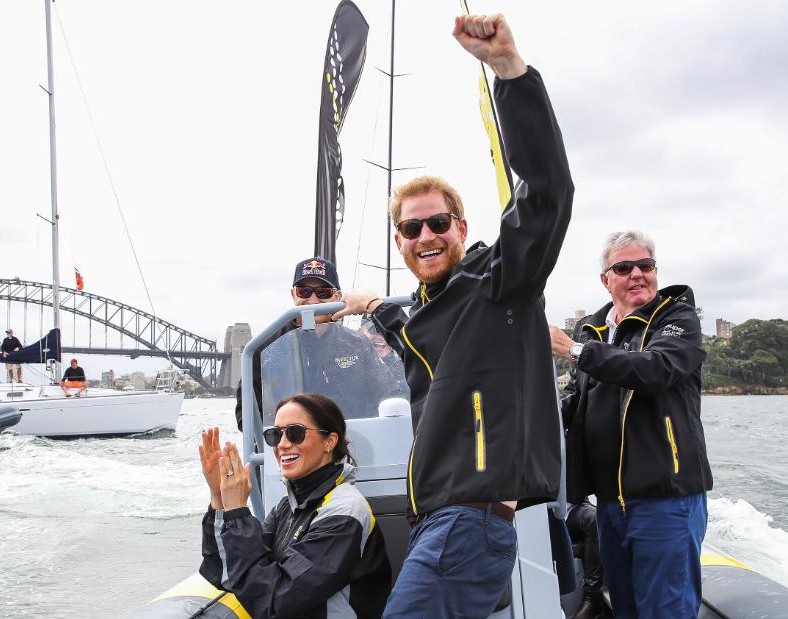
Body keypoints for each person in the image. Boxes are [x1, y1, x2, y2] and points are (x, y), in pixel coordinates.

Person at [333, 13, 573, 617]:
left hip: (468, 522)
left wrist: (509, 72)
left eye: (438, 223)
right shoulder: (417, 313)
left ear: (461, 228)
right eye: (411, 228)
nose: (426, 235)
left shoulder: (501, 288)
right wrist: (363, 304)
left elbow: (546, 191)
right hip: (437, 521)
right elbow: (406, 315)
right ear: (400, 242)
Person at [550, 230, 712, 618]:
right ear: (606, 280)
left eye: (646, 265)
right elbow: (577, 402)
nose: (638, 274)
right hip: (610, 504)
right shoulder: (593, 330)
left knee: (665, 611)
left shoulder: (676, 318)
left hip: (666, 498)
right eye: (624, 267)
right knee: (625, 608)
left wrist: (573, 350)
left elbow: (655, 369)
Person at [199, 393, 391, 619]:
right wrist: (219, 498)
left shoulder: (344, 513)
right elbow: (227, 574)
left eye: (295, 433)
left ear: (329, 441)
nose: (282, 444)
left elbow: (275, 601)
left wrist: (237, 512)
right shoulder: (288, 507)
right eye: (275, 434)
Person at [234, 257, 389, 430]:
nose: (313, 300)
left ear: (337, 296)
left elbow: (383, 397)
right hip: (293, 447)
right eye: (304, 291)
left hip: (352, 443)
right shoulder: (264, 348)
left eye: (323, 292)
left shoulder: (358, 343)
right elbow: (246, 417)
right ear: (293, 294)